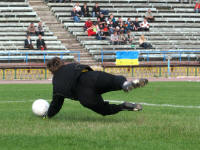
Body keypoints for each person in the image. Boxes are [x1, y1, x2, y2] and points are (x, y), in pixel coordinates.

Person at [44, 57, 148, 118]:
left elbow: (56, 105)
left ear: (51, 71)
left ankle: (122, 106)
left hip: (85, 95)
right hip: (93, 78)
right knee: (116, 80)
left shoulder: (56, 83)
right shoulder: (72, 65)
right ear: (62, 62)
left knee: (104, 110)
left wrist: (48, 115)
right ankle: (124, 84)